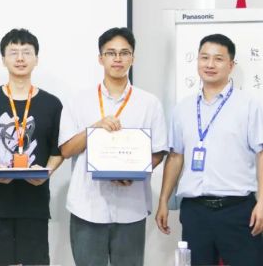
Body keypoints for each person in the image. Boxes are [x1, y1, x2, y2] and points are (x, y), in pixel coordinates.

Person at [59, 27, 168, 266]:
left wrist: (135, 172)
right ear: (101, 58)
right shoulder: (78, 100)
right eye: (110, 53)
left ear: (133, 58)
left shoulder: (149, 103)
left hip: (131, 207)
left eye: (124, 53)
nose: (117, 58)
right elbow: (66, 150)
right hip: (87, 207)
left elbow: (158, 151)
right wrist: (94, 129)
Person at [156, 34, 263, 265]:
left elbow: (261, 154)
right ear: (197, 61)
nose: (210, 64)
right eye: (204, 57)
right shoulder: (183, 108)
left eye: (218, 59)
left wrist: (262, 202)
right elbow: (175, 156)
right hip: (195, 212)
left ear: (231, 65)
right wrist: (163, 200)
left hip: (237, 210)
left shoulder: (249, 106)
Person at [0, 28, 63, 266]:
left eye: (26, 52)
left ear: (36, 59)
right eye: (13, 52)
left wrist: (47, 171)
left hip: (34, 204)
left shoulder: (52, 104)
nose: (20, 58)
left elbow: (59, 149)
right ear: (3, 59)